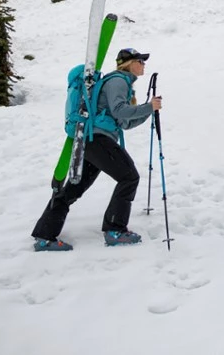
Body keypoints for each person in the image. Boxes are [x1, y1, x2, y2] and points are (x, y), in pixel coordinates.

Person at [31, 47, 163, 251]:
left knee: (73, 189)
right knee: (129, 177)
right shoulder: (118, 81)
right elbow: (121, 110)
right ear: (129, 64)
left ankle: (44, 235)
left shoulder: (120, 83)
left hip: (91, 140)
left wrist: (148, 110)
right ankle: (114, 230)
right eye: (140, 61)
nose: (143, 64)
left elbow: (124, 122)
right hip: (98, 139)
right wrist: (148, 107)